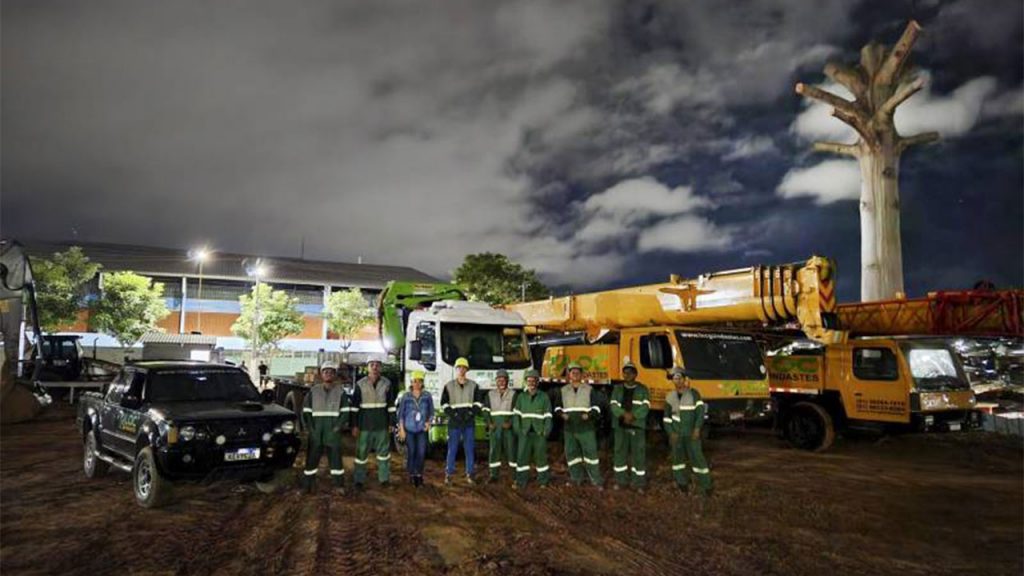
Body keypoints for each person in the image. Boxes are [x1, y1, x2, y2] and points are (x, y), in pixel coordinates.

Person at [301, 361, 350, 494]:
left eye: (331, 372)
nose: (328, 374)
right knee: (311, 458)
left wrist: (338, 427)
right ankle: (307, 485)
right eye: (325, 371)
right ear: (321, 374)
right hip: (316, 430)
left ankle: (339, 485)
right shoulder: (313, 391)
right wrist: (310, 428)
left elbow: (346, 411)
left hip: (333, 431)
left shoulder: (340, 392)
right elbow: (306, 411)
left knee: (335, 458)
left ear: (334, 375)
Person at [553, 361, 604, 489]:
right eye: (572, 371)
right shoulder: (563, 390)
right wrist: (561, 414)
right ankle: (576, 478)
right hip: (569, 428)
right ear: (569, 375)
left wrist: (590, 415)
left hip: (586, 428)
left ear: (582, 374)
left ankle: (596, 481)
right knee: (572, 454)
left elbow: (597, 408)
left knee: (591, 455)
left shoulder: (589, 389)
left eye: (577, 372)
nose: (575, 374)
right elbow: (557, 407)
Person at [664, 367, 713, 496]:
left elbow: (700, 413)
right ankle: (682, 485)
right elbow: (666, 418)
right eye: (675, 378)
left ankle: (706, 486)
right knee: (677, 461)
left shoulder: (694, 394)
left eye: (680, 378)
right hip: (677, 434)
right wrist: (671, 433)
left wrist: (697, 429)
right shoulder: (670, 397)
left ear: (685, 379)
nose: (677, 381)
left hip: (691, 433)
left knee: (698, 459)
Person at [352, 358, 397, 489]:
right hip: (364, 425)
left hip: (382, 425)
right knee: (361, 454)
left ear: (381, 368)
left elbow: (391, 406)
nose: (375, 367)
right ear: (367, 367)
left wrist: (391, 423)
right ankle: (359, 480)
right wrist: (354, 425)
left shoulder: (387, 384)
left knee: (383, 454)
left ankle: (384, 479)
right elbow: (354, 408)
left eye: (377, 365)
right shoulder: (360, 384)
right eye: (372, 365)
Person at [610, 360, 650, 492]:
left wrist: (633, 416)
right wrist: (624, 415)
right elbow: (613, 405)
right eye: (625, 372)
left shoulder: (643, 389)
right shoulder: (617, 389)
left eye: (630, 372)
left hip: (637, 426)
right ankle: (621, 481)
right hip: (620, 426)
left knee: (638, 454)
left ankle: (638, 483)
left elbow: (646, 406)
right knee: (619, 453)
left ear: (635, 374)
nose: (627, 375)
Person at [440, 357, 481, 485]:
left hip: (468, 422)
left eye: (464, 368)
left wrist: (470, 413)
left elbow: (479, 403)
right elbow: (444, 404)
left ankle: (470, 474)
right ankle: (449, 475)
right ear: (456, 369)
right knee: (452, 449)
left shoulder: (474, 385)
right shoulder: (448, 386)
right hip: (454, 422)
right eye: (459, 368)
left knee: (469, 449)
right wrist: (454, 415)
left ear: (467, 370)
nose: (461, 370)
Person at [512, 369, 552, 489]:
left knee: (541, 458)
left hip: (539, 432)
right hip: (524, 432)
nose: (531, 383)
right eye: (529, 380)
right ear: (526, 382)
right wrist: (518, 430)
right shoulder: (521, 397)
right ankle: (520, 481)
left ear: (537, 382)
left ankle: (543, 481)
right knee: (522, 457)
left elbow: (548, 416)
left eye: (533, 380)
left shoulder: (544, 397)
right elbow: (516, 415)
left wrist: (546, 431)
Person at [396, 371, 434, 487]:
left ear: (422, 383)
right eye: (414, 381)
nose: (417, 383)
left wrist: (429, 423)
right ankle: (412, 474)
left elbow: (431, 412)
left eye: (419, 381)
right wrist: (401, 429)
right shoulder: (406, 397)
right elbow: (400, 414)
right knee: (412, 452)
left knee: (421, 453)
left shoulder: (427, 396)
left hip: (422, 429)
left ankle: (419, 475)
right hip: (409, 429)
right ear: (411, 383)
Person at [482, 369, 517, 483]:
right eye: (499, 380)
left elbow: (517, 411)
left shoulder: (513, 394)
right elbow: (485, 410)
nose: (501, 382)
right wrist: (489, 423)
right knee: (494, 450)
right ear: (496, 381)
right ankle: (493, 475)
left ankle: (514, 475)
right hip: (495, 426)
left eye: (504, 380)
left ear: (507, 381)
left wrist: (511, 422)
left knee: (511, 450)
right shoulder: (490, 394)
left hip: (508, 428)